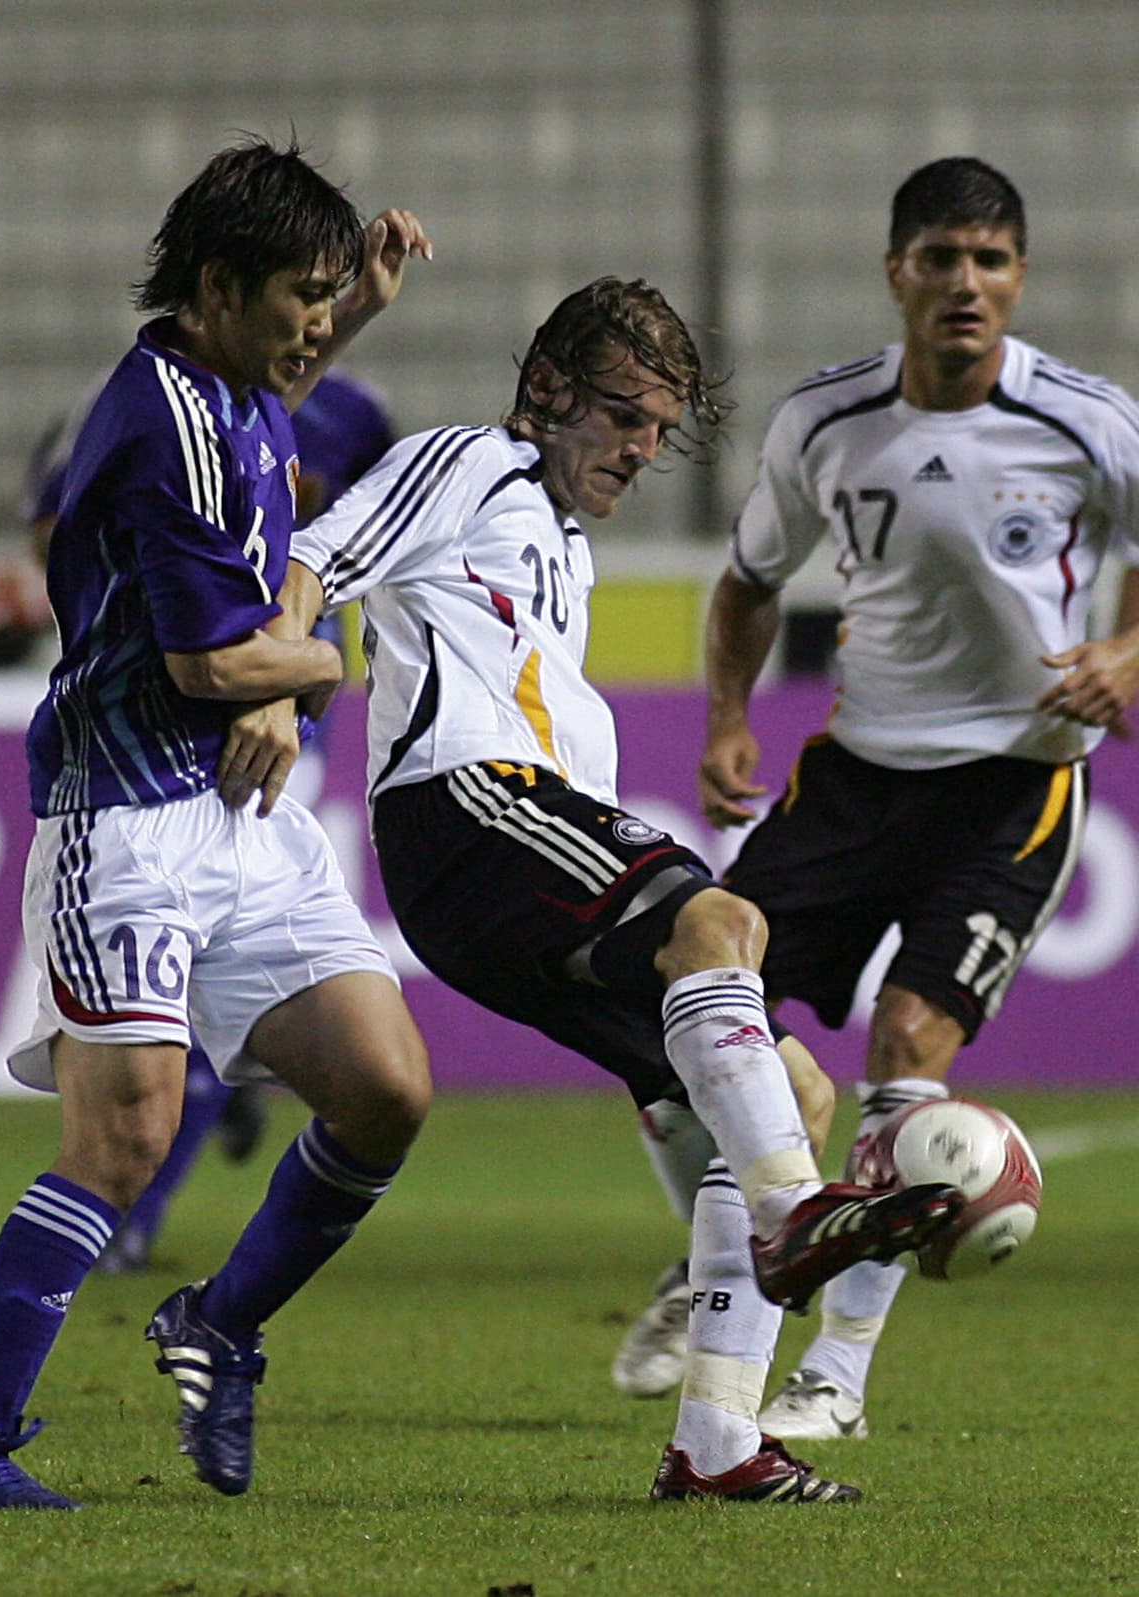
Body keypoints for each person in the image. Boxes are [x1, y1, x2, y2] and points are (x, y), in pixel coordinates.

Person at [223, 275, 965, 1505]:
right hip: (467, 809)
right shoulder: (469, 462)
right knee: (720, 922)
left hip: (515, 841)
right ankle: (792, 1220)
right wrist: (269, 685)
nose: (641, 449)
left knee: (788, 1088)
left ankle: (715, 1441)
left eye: (661, 430)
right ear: (547, 391)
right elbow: (314, 558)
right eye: (623, 416)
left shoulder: (560, 545)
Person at [0, 134, 433, 1511]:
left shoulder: (233, 375)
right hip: (126, 820)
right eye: (302, 295)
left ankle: (216, 1323)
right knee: (123, 1140)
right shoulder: (173, 426)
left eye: (331, 295)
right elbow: (213, 670)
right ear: (219, 285)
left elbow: (284, 411)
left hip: (242, 823)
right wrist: (324, 665)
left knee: (385, 1085)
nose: (317, 326)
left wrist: (362, 299)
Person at [619, 156, 1139, 1437]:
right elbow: (745, 583)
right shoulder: (823, 422)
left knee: (906, 1052)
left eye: (989, 260)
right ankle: (714, 1256)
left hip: (1012, 784)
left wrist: (1124, 654)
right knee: (683, 1026)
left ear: (1016, 278)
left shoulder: (1087, 421)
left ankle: (831, 1381)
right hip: (851, 777)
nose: (965, 283)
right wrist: (730, 719)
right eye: (941, 257)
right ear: (895, 270)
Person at [20, 366, 398, 1276]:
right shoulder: (133, 406)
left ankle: (138, 1209)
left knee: (218, 927)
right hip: (164, 706)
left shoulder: (352, 407)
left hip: (288, 698)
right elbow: (50, 528)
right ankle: (206, 1105)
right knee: (180, 974)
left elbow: (379, 528)